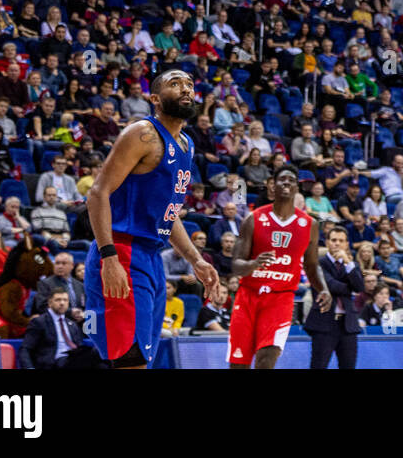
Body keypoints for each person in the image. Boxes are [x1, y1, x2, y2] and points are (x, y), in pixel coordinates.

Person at [84, 69, 218, 369]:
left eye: (189, 84)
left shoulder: (187, 144)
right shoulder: (142, 133)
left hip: (151, 257)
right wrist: (109, 257)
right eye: (175, 84)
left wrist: (196, 260)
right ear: (154, 98)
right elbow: (97, 194)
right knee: (130, 360)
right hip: (123, 251)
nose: (185, 89)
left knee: (141, 358)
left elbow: (168, 215)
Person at [227, 167, 331, 369]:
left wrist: (323, 288)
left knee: (267, 357)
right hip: (248, 296)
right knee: (239, 365)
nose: (286, 183)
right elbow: (236, 265)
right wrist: (253, 264)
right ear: (272, 186)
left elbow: (312, 265)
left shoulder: (309, 224)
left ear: (296, 188)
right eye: (281, 179)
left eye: (291, 180)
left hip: (280, 299)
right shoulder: (254, 219)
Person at [302, 227, 364, 369]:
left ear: (347, 244)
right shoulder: (317, 264)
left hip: (347, 325)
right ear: (328, 243)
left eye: (341, 241)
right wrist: (350, 288)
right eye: (334, 240)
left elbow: (360, 287)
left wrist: (348, 262)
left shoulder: (352, 265)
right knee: (318, 366)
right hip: (324, 324)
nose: (337, 244)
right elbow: (331, 285)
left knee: (348, 366)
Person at [19, 285, 95, 369]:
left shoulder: (72, 324)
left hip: (73, 359)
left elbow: (79, 347)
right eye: (58, 300)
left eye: (65, 300)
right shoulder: (39, 322)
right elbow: (25, 349)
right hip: (53, 362)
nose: (62, 303)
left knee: (100, 361)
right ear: (50, 302)